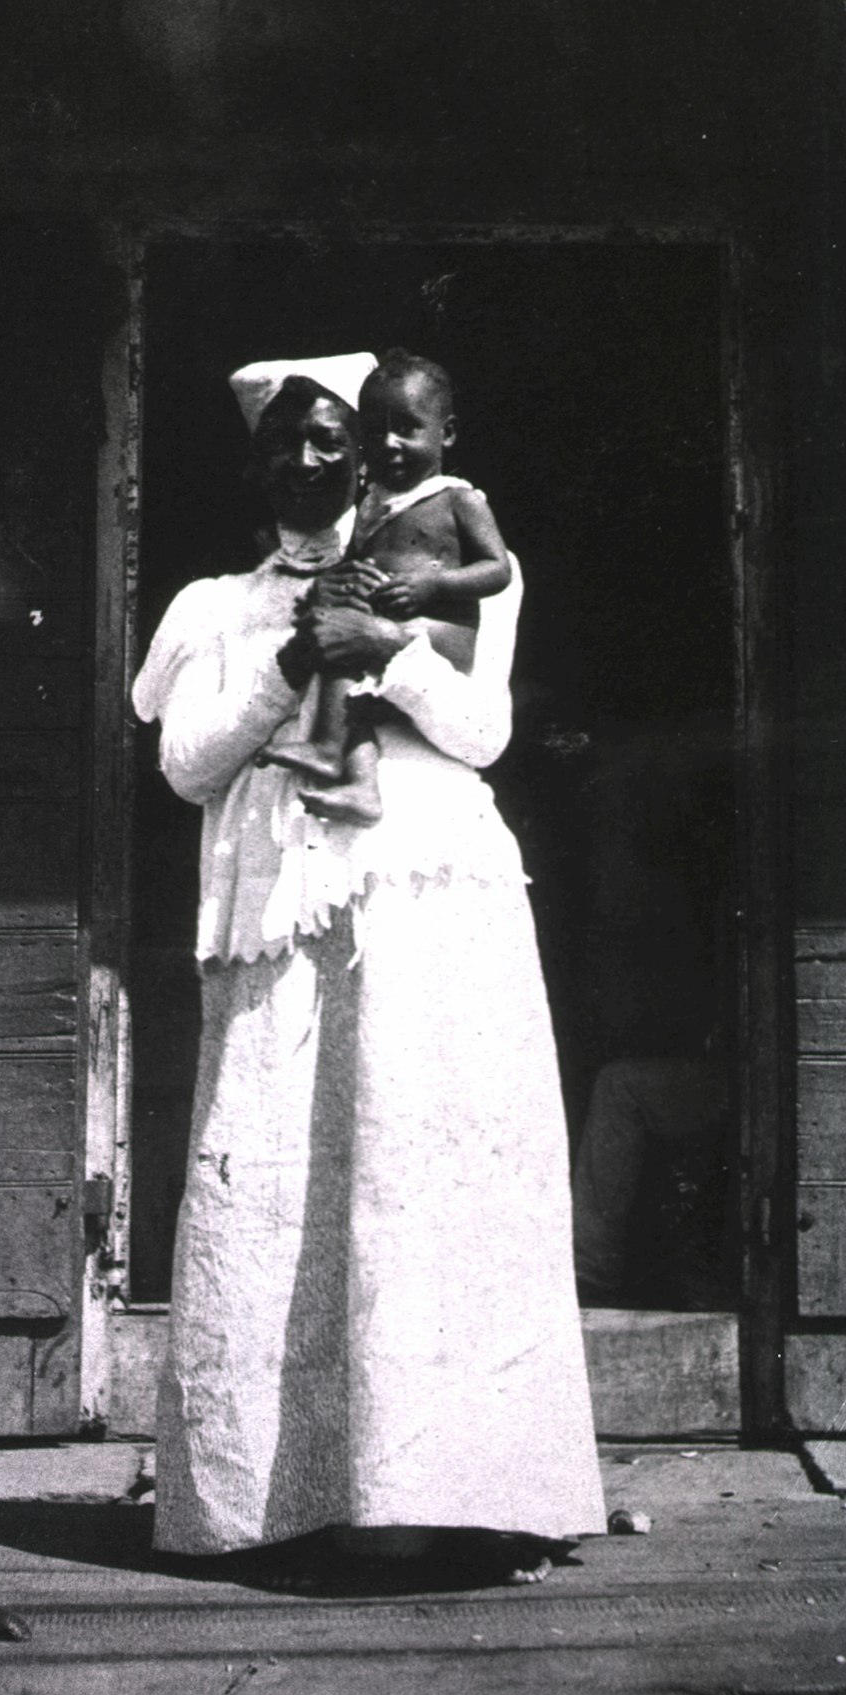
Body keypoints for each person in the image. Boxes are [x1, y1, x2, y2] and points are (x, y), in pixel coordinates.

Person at [132, 350, 605, 1588]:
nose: (306, 460)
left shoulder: (442, 554)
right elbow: (187, 763)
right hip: (280, 920)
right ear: (251, 463)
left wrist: (380, 643)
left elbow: (483, 732)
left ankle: (460, 1500)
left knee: (430, 1190)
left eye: (330, 439)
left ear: (371, 451)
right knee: (286, 1200)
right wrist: (297, 654)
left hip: (425, 902)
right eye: (282, 441)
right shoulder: (214, 606)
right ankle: (281, 1504)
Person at [259, 350, 510, 826]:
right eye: (375, 432)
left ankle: (332, 751)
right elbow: (358, 564)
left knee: (354, 653)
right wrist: (342, 587)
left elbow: (497, 570)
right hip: (387, 622)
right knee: (346, 661)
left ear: (447, 434)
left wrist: (434, 582)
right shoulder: (373, 505)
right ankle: (355, 778)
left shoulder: (459, 498)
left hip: (439, 631)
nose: (390, 443)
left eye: (408, 429)